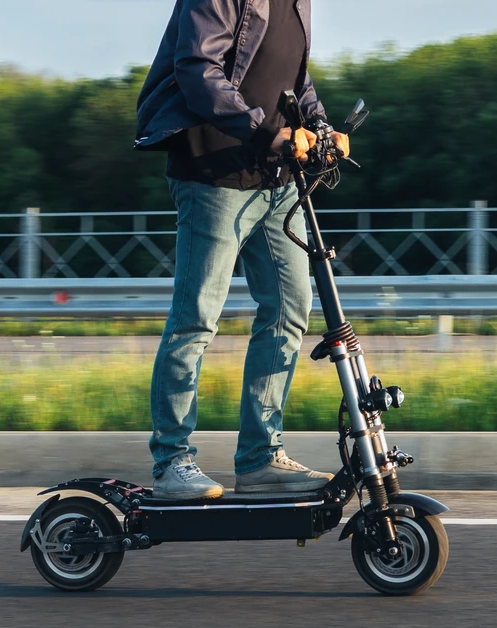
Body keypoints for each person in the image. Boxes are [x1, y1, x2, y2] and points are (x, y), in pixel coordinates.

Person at [133, 0, 347, 500]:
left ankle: (260, 460)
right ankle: (172, 462)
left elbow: (294, 79)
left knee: (290, 310)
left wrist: (320, 126)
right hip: (213, 175)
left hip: (278, 180)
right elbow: (198, 69)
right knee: (196, 319)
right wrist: (267, 134)